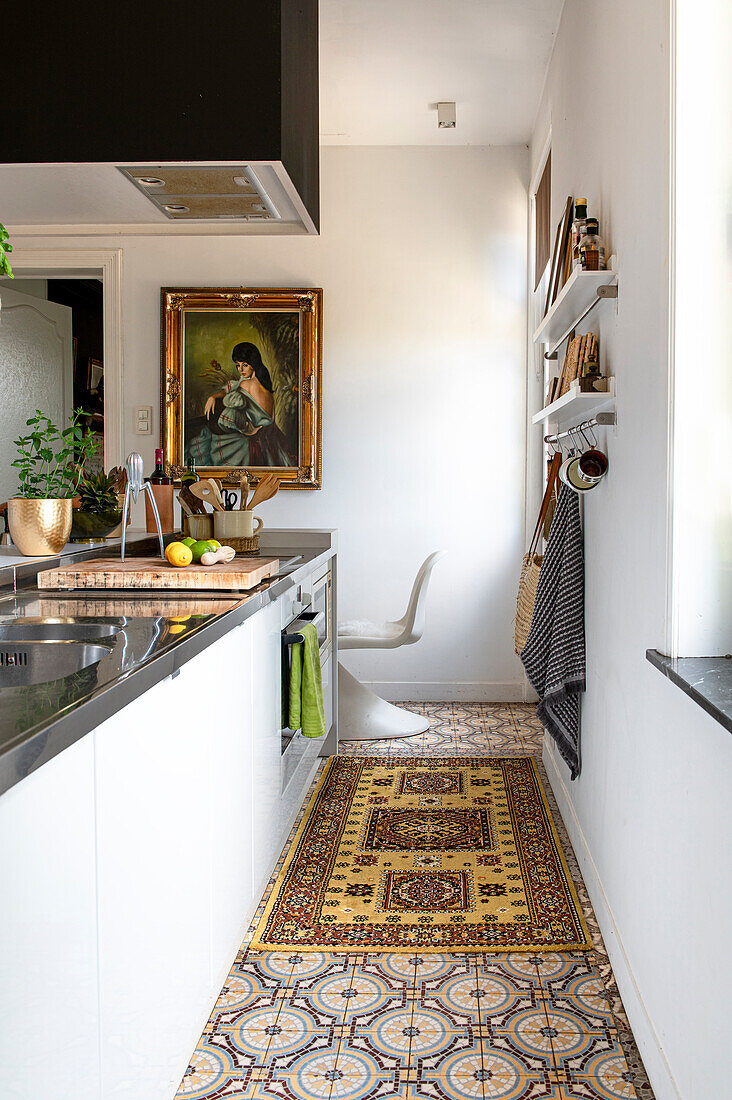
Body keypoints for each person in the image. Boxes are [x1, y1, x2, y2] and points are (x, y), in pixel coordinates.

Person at [188, 342, 294, 467]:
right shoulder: (267, 389)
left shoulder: (247, 384)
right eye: (238, 365)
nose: (241, 370)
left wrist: (214, 397)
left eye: (245, 365)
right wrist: (214, 396)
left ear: (253, 364)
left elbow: (229, 399)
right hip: (271, 440)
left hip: (252, 440)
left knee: (207, 438)